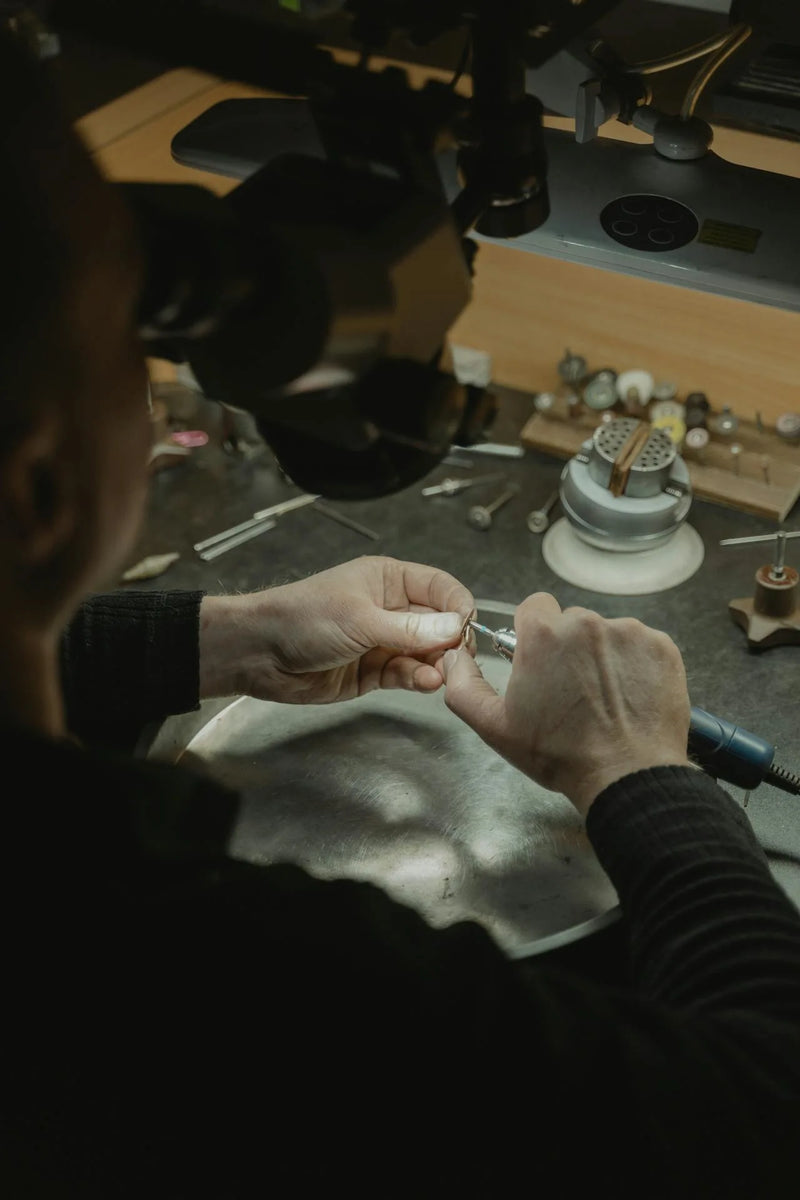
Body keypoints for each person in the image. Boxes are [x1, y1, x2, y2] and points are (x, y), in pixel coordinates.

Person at [2, 25, 800, 1199]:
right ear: (36, 489)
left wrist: (223, 637)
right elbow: (766, 1116)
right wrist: (645, 779)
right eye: (137, 321)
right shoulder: (190, 977)